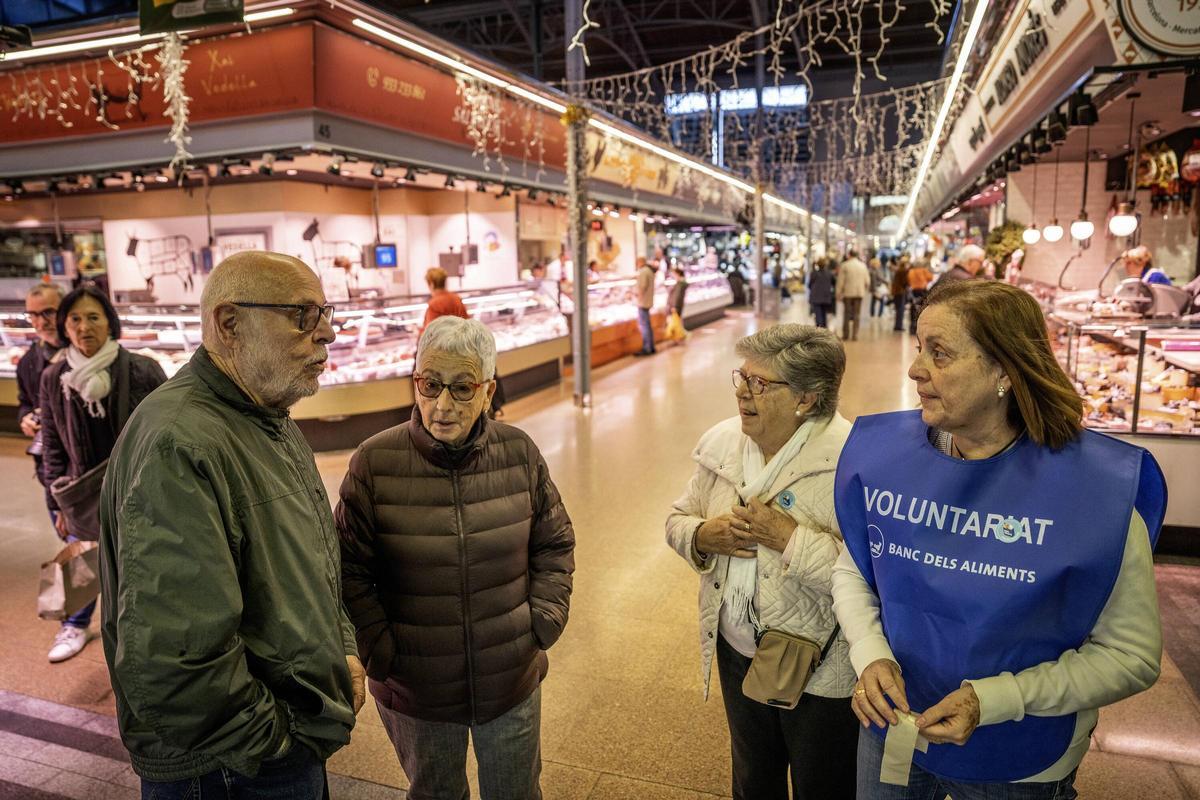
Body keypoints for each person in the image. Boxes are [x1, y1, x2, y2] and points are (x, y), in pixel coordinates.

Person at [832, 280, 1166, 799]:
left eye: (939, 353)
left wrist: (996, 699)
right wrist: (870, 652)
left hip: (1019, 759)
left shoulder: (1094, 495)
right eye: (920, 348)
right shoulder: (891, 466)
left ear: (1004, 371)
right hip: (895, 727)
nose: (915, 369)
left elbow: (1132, 655)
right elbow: (855, 568)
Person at [98, 252, 362, 798]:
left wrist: (342, 648)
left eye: (326, 313)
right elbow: (177, 660)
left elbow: (306, 558)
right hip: (230, 768)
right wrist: (280, 741)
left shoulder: (264, 415)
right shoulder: (179, 443)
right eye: (303, 316)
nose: (328, 334)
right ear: (229, 324)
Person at [337, 315, 575, 800]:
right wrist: (380, 649)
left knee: (517, 792)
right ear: (416, 382)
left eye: (462, 388)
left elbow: (554, 543)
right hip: (415, 687)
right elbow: (347, 569)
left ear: (488, 391)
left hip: (511, 678)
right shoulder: (374, 463)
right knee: (435, 793)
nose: (442, 405)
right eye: (431, 385)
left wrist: (541, 623)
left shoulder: (519, 453)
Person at [667, 324, 857, 799]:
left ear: (807, 399)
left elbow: (871, 577)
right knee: (753, 776)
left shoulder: (851, 464)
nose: (740, 393)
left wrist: (788, 539)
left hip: (820, 664)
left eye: (759, 383)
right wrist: (702, 536)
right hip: (736, 648)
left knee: (823, 782)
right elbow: (677, 518)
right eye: (741, 377)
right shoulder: (724, 445)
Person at [40, 285, 167, 663]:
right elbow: (52, 443)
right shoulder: (54, 378)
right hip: (82, 495)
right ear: (64, 326)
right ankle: (75, 625)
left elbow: (168, 432)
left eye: (93, 317)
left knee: (142, 566)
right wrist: (56, 503)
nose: (84, 326)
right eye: (75, 319)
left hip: (138, 490)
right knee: (85, 562)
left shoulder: (143, 369)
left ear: (109, 323)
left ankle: (145, 636)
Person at [17, 282, 64, 515]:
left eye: (48, 312)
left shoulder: (83, 352)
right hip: (50, 464)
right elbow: (25, 401)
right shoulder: (27, 362)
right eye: (33, 314)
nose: (40, 321)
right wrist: (25, 417)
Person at [421, 267, 469, 336]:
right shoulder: (457, 299)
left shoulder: (434, 304)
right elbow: (467, 324)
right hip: (459, 343)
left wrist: (419, 332)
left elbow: (430, 334)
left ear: (431, 284)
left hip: (443, 345)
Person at [836, 250, 870, 341]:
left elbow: (840, 281)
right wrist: (864, 290)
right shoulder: (863, 266)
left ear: (849, 255)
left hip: (848, 293)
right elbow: (867, 281)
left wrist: (838, 293)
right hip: (859, 293)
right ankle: (855, 335)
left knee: (847, 314)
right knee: (857, 314)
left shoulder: (845, 265)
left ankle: (846, 335)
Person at [635, 256, 658, 356]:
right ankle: (651, 346)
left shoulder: (644, 272)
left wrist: (637, 299)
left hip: (643, 303)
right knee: (647, 325)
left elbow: (642, 287)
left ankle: (647, 348)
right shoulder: (649, 271)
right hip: (648, 302)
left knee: (644, 326)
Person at [906, 258, 935, 335]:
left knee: (913, 308)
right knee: (922, 308)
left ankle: (912, 326)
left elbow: (908, 280)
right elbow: (931, 278)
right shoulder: (924, 270)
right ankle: (920, 327)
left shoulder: (911, 271)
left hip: (914, 291)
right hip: (922, 291)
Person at [808, 259, 835, 329]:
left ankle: (819, 329)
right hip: (826, 296)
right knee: (824, 313)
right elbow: (834, 283)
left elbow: (809, 285)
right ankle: (824, 328)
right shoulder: (829, 273)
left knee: (818, 314)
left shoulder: (814, 273)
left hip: (816, 296)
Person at [890, 257, 911, 333]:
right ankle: (898, 326)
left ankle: (897, 325)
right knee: (900, 309)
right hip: (900, 291)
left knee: (898, 308)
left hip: (896, 291)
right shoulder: (903, 271)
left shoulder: (898, 270)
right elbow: (905, 282)